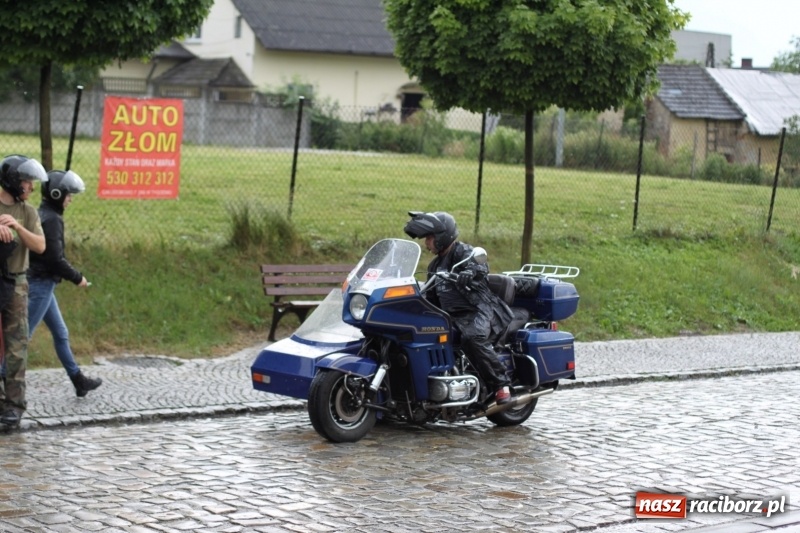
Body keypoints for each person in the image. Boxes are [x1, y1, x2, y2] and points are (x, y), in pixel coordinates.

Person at [404, 211, 515, 404]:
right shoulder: (435, 265)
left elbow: (480, 267)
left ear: (441, 236)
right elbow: (429, 296)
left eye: (429, 238)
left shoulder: (463, 252)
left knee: (472, 338)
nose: (426, 243)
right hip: (453, 316)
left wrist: (470, 272)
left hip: (480, 311)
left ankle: (501, 386)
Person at [27, 169, 101, 398]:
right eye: (69, 194)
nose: (70, 199)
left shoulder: (44, 214)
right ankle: (4, 377)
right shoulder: (53, 220)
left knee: (60, 333)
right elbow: (54, 259)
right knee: (20, 338)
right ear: (57, 194)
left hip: (43, 284)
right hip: (40, 285)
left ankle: (78, 380)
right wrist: (78, 277)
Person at [0, 154, 48, 428]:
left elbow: (40, 246)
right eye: (26, 181)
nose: (30, 187)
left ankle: (14, 407)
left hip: (17, 283)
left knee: (17, 346)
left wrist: (17, 227)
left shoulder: (28, 213)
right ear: (12, 180)